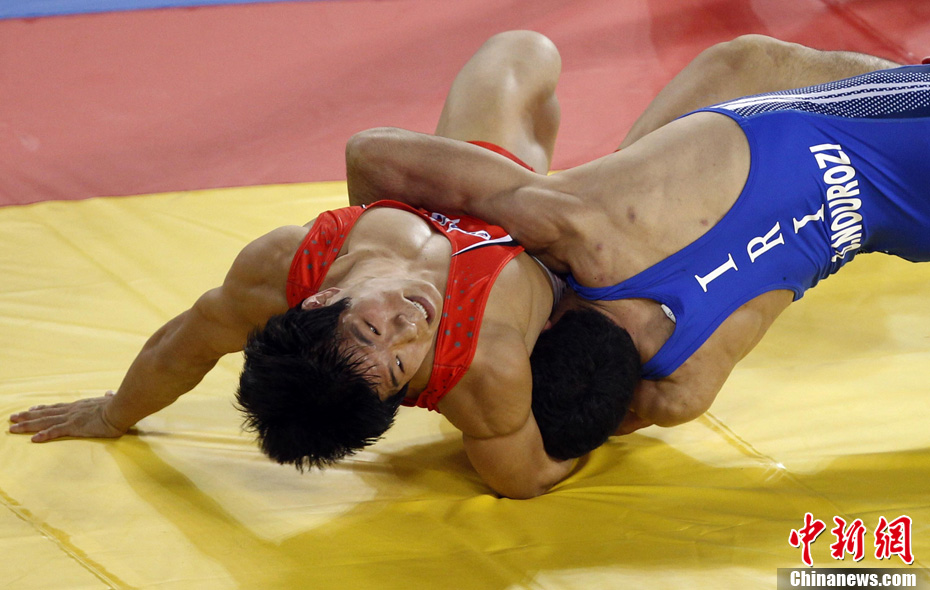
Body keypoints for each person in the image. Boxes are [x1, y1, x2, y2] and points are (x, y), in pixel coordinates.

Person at [8, 31, 638, 499]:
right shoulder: (485, 371)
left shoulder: (281, 266)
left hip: (461, 193)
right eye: (399, 364)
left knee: (522, 51)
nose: (410, 326)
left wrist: (115, 412)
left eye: (371, 327)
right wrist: (615, 423)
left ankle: (543, 180)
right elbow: (523, 478)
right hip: (557, 253)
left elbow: (183, 346)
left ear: (318, 300)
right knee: (664, 168)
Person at [344, 34, 929, 435]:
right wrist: (389, 246)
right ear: (547, 325)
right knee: (744, 64)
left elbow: (583, 433)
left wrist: (445, 389)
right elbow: (371, 153)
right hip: (892, 131)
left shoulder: (681, 389)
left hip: (907, 220)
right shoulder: (585, 229)